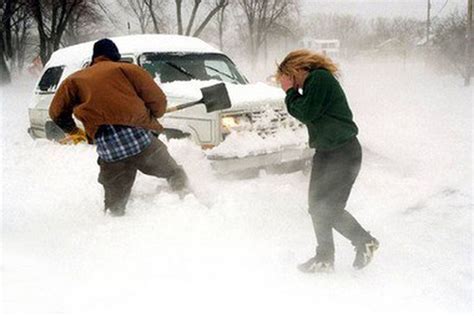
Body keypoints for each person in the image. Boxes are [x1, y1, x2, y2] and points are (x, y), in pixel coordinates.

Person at [49, 38, 188, 217]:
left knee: (114, 205)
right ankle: (188, 201)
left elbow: (56, 113)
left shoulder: (74, 80)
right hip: (141, 141)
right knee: (173, 171)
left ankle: (114, 223)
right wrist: (153, 115)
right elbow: (158, 101)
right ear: (115, 55)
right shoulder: (128, 69)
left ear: (95, 58)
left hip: (110, 150)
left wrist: (74, 131)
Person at [276, 49, 379, 272]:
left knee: (329, 208)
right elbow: (308, 109)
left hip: (343, 152)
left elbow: (306, 112)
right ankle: (324, 258)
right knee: (316, 207)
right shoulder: (312, 85)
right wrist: (294, 91)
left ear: (296, 70)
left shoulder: (319, 78)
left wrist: (289, 92)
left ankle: (364, 241)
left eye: (288, 78)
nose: (291, 85)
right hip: (326, 152)